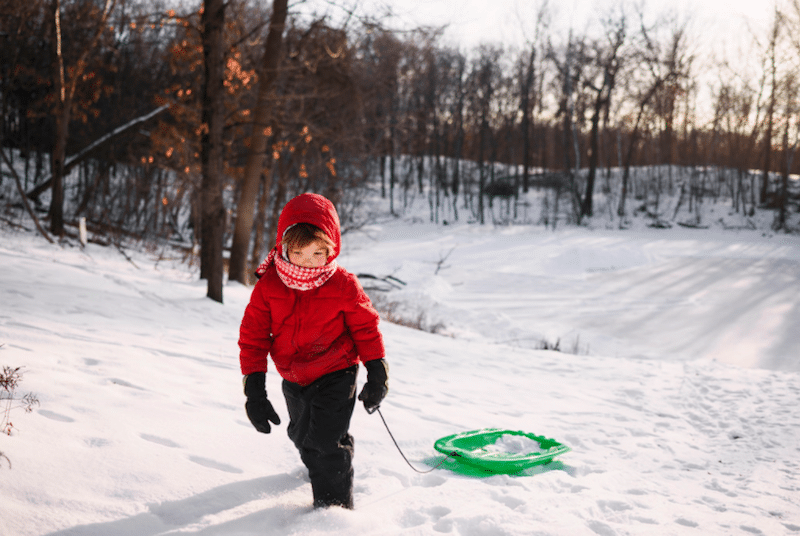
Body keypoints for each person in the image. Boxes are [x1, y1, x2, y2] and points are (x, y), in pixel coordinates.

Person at [238, 192, 389, 510]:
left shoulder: (342, 284)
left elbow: (366, 327)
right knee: (302, 438)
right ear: (283, 248)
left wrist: (377, 372)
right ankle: (330, 453)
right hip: (294, 376)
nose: (309, 262)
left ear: (332, 249)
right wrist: (254, 391)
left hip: (337, 370)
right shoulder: (270, 285)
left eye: (318, 253)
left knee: (324, 444)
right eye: (299, 253)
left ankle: (333, 515)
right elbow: (253, 338)